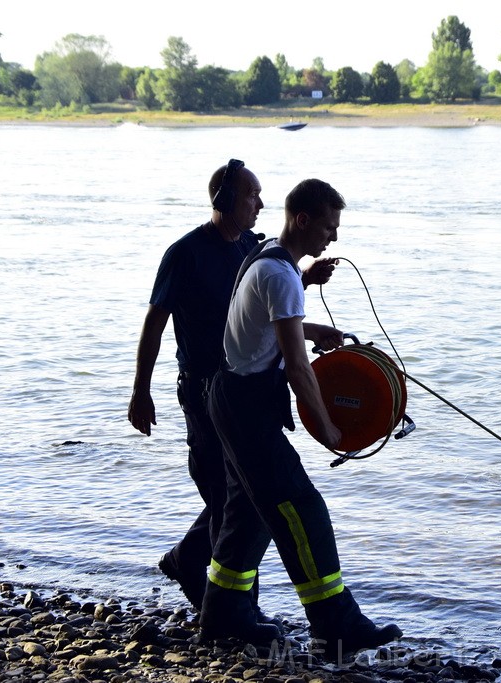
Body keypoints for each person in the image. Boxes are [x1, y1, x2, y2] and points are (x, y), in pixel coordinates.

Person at [202, 179, 402, 660]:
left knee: (248, 512)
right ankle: (336, 626)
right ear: (303, 220)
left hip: (228, 395)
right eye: (329, 226)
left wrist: (316, 328)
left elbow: (272, 329)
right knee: (301, 508)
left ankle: (223, 614)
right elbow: (296, 366)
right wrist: (328, 427)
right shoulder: (282, 276)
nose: (332, 237)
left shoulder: (270, 256)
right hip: (246, 406)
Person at [128, 160, 335, 615]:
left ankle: (195, 567)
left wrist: (305, 284)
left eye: (261, 195)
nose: (260, 204)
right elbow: (154, 323)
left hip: (239, 388)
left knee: (245, 493)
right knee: (229, 496)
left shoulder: (249, 248)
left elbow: (261, 317)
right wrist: (141, 390)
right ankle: (222, 599)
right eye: (250, 196)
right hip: (202, 391)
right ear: (223, 199)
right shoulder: (185, 253)